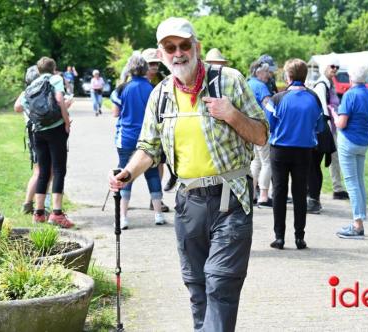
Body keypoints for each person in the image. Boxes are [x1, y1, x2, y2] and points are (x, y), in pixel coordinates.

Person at [109, 17, 268, 332]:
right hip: (188, 201)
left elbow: (262, 134)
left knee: (221, 284)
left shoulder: (231, 81)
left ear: (197, 47)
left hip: (230, 199)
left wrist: (231, 114)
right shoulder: (161, 95)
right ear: (161, 54)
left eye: (184, 45)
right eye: (170, 48)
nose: (178, 53)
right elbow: (148, 149)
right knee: (197, 288)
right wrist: (127, 173)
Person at [266, 58, 322, 250]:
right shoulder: (314, 98)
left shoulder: (277, 99)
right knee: (299, 193)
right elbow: (320, 125)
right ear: (305, 76)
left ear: (287, 76)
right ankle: (300, 237)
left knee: (279, 192)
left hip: (280, 150)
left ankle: (279, 237)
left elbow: (269, 126)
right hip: (304, 150)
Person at [109, 53, 166, 229]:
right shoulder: (151, 88)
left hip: (126, 137)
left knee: (125, 174)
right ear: (145, 68)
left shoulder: (122, 88)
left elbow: (115, 112)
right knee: (152, 174)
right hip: (146, 138)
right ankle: (158, 215)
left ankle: (123, 217)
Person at [26, 57, 73, 228]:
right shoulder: (56, 79)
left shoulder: (32, 85)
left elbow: (24, 105)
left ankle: (38, 213)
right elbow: (60, 98)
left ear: (38, 70)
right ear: (54, 69)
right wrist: (66, 122)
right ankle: (57, 214)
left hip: (38, 131)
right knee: (59, 169)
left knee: (43, 171)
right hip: (55, 129)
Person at [335, 64, 368, 239]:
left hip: (348, 140)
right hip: (364, 140)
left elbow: (342, 123)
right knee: (359, 181)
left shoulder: (350, 95)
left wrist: (334, 115)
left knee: (351, 182)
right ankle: (360, 219)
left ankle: (357, 225)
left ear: (351, 78)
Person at [142, 47, 176, 200]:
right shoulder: (135, 80)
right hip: (140, 126)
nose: (154, 67)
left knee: (159, 163)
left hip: (159, 126)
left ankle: (155, 199)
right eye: (151, 64)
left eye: (156, 63)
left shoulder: (163, 78)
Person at [313, 56, 349, 202]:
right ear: (325, 67)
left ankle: (337, 188)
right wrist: (327, 132)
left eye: (337, 67)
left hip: (331, 128)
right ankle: (318, 192)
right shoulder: (321, 85)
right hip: (325, 129)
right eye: (332, 66)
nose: (335, 69)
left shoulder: (330, 84)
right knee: (322, 160)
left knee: (334, 158)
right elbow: (323, 109)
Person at [14, 65, 41, 214]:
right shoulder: (38, 92)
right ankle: (31, 204)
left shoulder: (26, 92)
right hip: (39, 135)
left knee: (40, 171)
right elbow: (17, 107)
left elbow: (17, 107)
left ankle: (30, 204)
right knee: (41, 172)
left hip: (33, 135)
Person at [247, 60, 272, 208]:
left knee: (255, 162)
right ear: (258, 72)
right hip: (261, 128)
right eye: (266, 72)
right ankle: (263, 196)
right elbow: (269, 108)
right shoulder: (261, 86)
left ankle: (251, 194)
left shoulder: (247, 83)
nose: (268, 75)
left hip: (248, 128)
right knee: (266, 162)